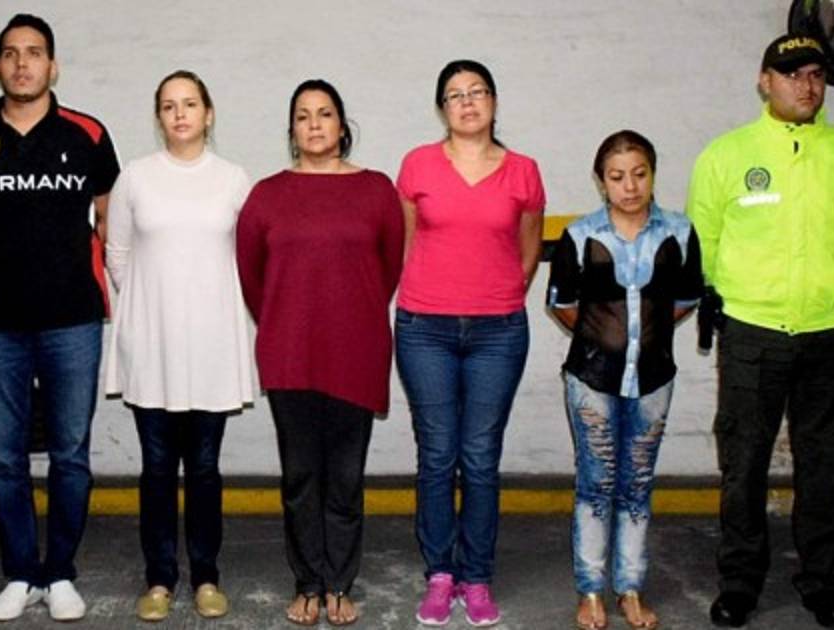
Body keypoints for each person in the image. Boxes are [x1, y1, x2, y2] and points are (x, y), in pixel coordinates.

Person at [687, 34, 834, 629]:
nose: (806, 86)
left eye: (815, 74)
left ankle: (821, 582)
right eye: (792, 74)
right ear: (764, 81)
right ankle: (740, 583)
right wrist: (726, 298)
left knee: (825, 465)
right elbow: (704, 238)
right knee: (743, 462)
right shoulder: (727, 155)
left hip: (828, 333)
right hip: (752, 333)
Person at [0, 13, 121, 622]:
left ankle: (60, 572)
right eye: (12, 53)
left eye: (34, 52)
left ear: (53, 66)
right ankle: (20, 573)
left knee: (70, 454)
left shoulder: (87, 133)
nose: (22, 63)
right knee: (5, 458)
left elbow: (108, 215)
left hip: (73, 320)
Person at [236, 79, 404, 626]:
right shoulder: (266, 195)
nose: (314, 124)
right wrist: (287, 320)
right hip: (290, 354)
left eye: (325, 113)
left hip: (356, 352)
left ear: (342, 125)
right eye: (303, 115)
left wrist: (350, 315)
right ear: (291, 130)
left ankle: (339, 583)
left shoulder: (376, 189)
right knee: (301, 477)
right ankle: (307, 581)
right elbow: (252, 277)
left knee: (346, 480)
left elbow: (388, 268)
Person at [394, 59, 545, 628]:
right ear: (442, 109)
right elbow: (406, 243)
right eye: (455, 95)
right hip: (424, 329)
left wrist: (496, 294)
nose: (467, 102)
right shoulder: (418, 164)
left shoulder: (524, 171)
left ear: (494, 102)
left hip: (497, 333)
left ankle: (477, 576)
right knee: (437, 455)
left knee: (480, 457)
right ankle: (440, 573)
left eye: (477, 91)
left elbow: (528, 250)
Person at [104, 70, 253, 622]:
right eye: (169, 106)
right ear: (159, 117)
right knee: (158, 468)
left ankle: (207, 576)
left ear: (208, 114)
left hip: (212, 349)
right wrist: (154, 312)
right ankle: (160, 579)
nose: (180, 114)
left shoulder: (233, 179)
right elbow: (117, 255)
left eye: (190, 104)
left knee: (206, 468)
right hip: (153, 349)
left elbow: (248, 258)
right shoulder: (135, 178)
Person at [547, 130, 703, 630]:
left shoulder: (679, 232)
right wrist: (607, 340)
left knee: (637, 484)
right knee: (595, 484)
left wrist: (644, 339)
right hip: (592, 380)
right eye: (617, 177)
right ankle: (591, 591)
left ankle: (630, 587)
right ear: (601, 181)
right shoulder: (580, 236)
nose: (630, 187)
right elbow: (562, 304)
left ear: (653, 174)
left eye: (639, 174)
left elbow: (686, 299)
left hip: (654, 380)